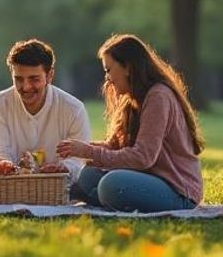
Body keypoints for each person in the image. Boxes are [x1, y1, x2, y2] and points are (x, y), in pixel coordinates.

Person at [57, 34, 204, 211]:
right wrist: (76, 149)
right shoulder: (132, 99)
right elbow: (116, 146)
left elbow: (143, 157)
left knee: (110, 185)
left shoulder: (158, 96)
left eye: (108, 70)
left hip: (178, 191)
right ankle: (101, 196)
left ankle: (100, 196)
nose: (107, 78)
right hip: (150, 178)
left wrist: (88, 151)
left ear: (127, 67)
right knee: (88, 175)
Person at [0, 38, 91, 184]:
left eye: (34, 79)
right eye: (18, 79)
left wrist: (62, 168)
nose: (26, 87)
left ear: (50, 76)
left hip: (58, 187)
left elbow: (78, 161)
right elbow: (1, 154)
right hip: (11, 186)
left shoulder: (73, 109)